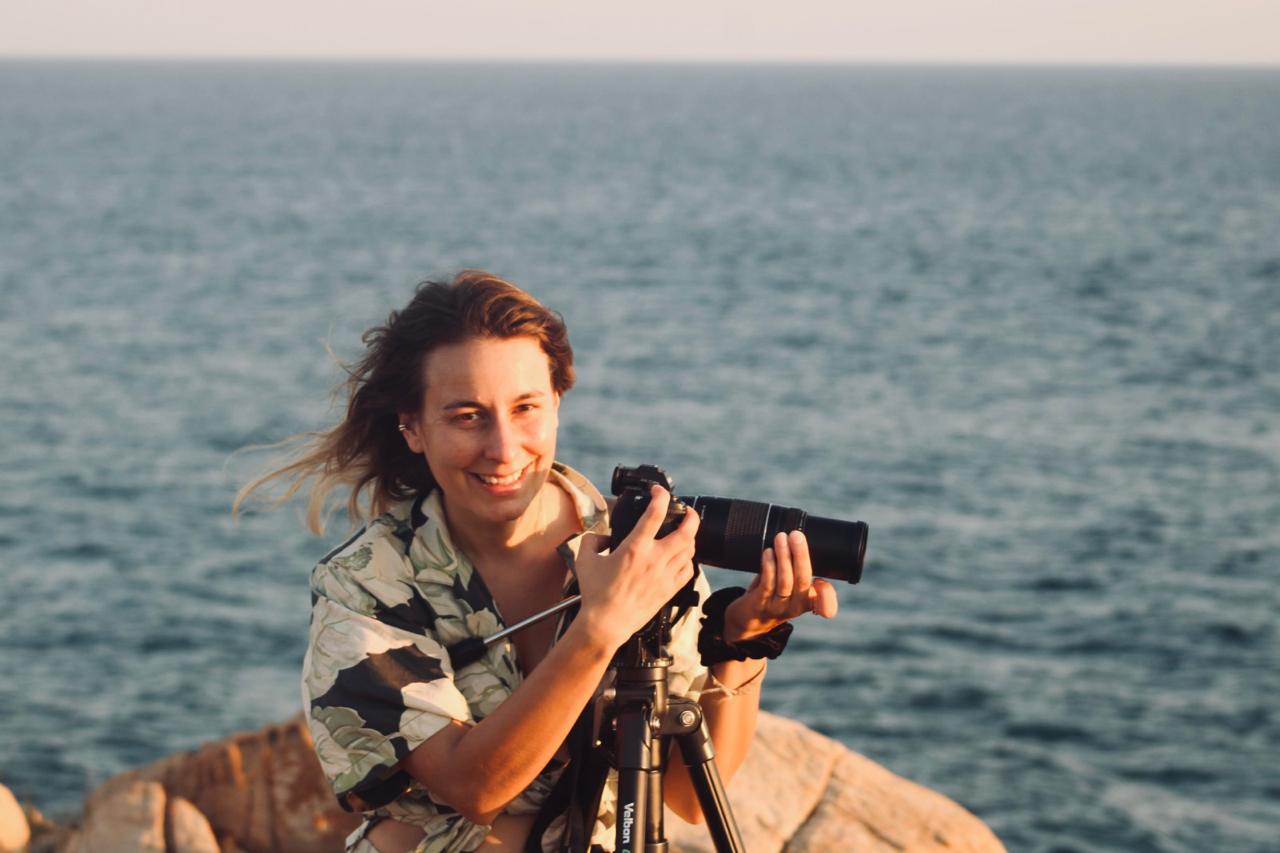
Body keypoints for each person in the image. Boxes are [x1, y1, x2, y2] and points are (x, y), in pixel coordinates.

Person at [235, 270, 838, 852]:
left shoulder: (640, 549)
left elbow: (684, 793)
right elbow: (476, 786)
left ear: (557, 401)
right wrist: (600, 628)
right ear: (412, 427)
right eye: (467, 416)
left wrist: (742, 641)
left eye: (526, 407)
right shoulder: (364, 586)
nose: (503, 448)